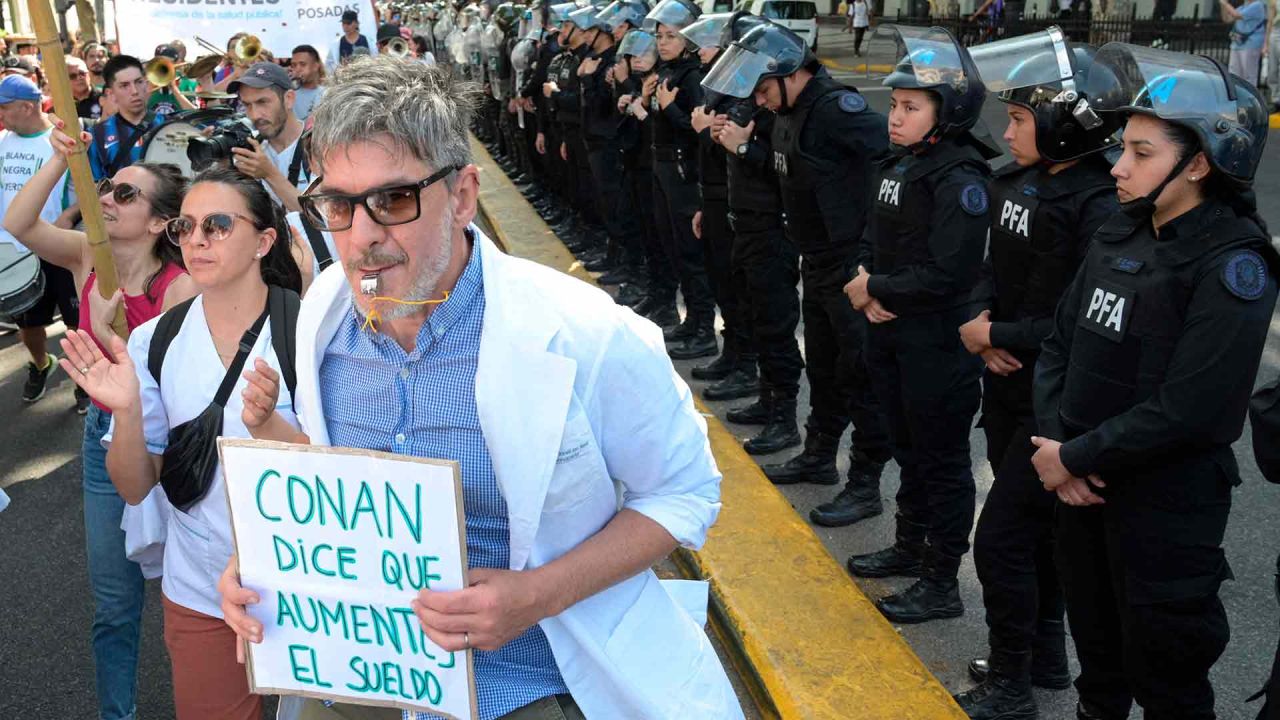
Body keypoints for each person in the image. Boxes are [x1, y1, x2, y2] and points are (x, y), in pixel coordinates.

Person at [216, 56, 743, 720]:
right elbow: (330, 488)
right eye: (338, 205)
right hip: (363, 680)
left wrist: (539, 594)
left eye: (394, 199)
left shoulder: (588, 335)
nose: (363, 238)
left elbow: (684, 491)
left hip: (527, 683)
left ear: (463, 196)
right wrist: (265, 567)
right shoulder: (320, 318)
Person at [1032, 42, 1276, 720]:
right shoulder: (1121, 231)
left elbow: (1191, 408)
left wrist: (1073, 458)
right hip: (1080, 488)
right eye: (1124, 148)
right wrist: (1057, 452)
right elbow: (1060, 345)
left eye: (1143, 154)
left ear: (1199, 163)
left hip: (1163, 508)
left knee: (1165, 674)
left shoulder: (1233, 267)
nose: (1118, 165)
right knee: (1099, 665)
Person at [61, 166, 301, 720]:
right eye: (185, 227)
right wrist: (123, 413)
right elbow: (136, 484)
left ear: (264, 240)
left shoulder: (306, 331)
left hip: (305, 582)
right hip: (199, 589)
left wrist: (271, 429)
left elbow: (342, 466)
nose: (196, 240)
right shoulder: (154, 341)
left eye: (217, 225)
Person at [953, 31, 1122, 718]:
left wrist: (997, 333)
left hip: (1052, 402)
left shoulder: (1100, 206)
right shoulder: (1017, 181)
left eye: (1021, 118)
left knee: (999, 541)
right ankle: (1044, 655)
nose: (1009, 128)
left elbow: (1077, 319)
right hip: (1004, 386)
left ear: (1062, 126)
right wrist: (980, 321)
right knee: (1038, 538)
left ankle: (1013, 684)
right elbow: (989, 264)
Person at [5, 117, 194, 720]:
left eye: (125, 194)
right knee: (114, 602)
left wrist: (116, 331)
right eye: (108, 187)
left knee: (193, 595)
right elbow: (18, 225)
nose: (107, 199)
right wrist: (63, 160)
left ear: (161, 222)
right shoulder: (89, 255)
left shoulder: (181, 286)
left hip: (176, 447)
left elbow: (173, 388)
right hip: (101, 441)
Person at [703, 23, 892, 525]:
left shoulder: (834, 109)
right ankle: (818, 455)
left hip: (849, 262)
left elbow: (895, 158)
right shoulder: (787, 112)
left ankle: (866, 483)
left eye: (763, 89)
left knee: (861, 375)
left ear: (787, 72)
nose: (760, 101)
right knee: (826, 368)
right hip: (817, 259)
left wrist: (876, 252)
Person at [842, 26, 993, 623]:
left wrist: (874, 288)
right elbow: (870, 237)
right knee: (907, 447)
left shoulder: (960, 178)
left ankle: (941, 580)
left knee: (941, 459)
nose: (894, 117)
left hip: (936, 342)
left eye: (910, 107)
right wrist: (865, 284)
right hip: (891, 332)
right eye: (895, 105)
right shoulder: (902, 163)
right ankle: (909, 547)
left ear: (946, 112)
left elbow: (949, 273)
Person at [0, 74, 83, 406]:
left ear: (25, 106)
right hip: (15, 252)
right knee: (28, 325)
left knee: (77, 325)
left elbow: (93, 188)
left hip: (58, 248)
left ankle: (84, 381)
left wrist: (70, 216)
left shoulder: (59, 139)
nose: (1, 116)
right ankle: (40, 364)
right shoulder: (3, 141)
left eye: (4, 109)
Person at [643, 0, 719, 358]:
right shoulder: (668, 72)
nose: (663, 42)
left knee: (691, 252)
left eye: (671, 36)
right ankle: (691, 319)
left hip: (682, 172)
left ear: (687, 39)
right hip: (662, 170)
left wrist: (670, 107)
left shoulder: (691, 76)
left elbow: (695, 130)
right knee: (672, 246)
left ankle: (704, 328)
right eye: (659, 36)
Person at [228, 62, 309, 211]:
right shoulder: (249, 148)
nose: (254, 115)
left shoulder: (319, 147)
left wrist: (269, 174)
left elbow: (323, 218)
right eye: (247, 105)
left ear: (289, 99)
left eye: (262, 102)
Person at [89, 55, 165, 181]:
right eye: (124, 85)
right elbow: (96, 186)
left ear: (146, 84)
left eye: (138, 82)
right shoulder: (97, 135)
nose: (135, 91)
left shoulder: (168, 124)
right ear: (111, 93)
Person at [145, 45, 197, 121]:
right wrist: (149, 89)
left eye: (168, 63)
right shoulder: (146, 84)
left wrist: (175, 89)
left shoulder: (188, 84)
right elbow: (134, 114)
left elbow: (195, 116)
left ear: (177, 63)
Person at [1223, 0, 1268, 87]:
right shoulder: (1242, 7)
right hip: (1237, 44)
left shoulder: (1258, 5)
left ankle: (1250, 97)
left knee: (1248, 74)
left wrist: (1225, 3)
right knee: (1234, 73)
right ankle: (1237, 95)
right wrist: (1223, 6)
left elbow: (1237, 15)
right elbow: (1227, 19)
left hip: (1251, 44)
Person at [289, 45, 326, 122]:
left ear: (316, 66)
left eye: (302, 64)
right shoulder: (287, 94)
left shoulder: (328, 94)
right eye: (294, 65)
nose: (297, 69)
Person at [68, 56, 103, 120]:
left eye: (82, 73)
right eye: (73, 76)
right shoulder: (64, 105)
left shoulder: (105, 97)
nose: (79, 78)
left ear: (89, 74)